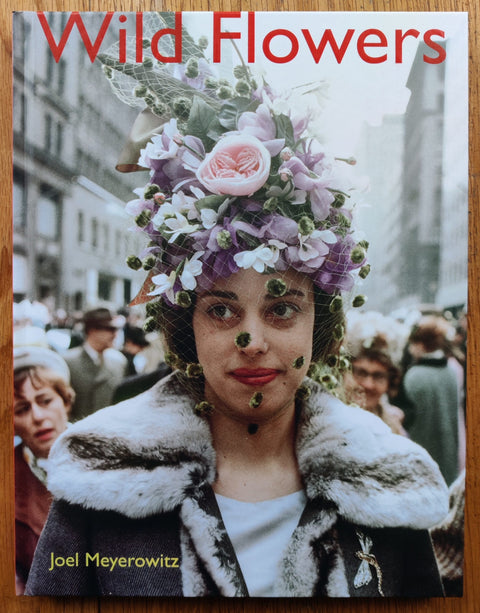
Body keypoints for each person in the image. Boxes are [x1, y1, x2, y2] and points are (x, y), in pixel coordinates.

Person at [25, 31, 449, 597]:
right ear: (185, 325)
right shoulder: (101, 479)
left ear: (317, 326)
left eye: (281, 309)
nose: (252, 339)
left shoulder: (387, 487)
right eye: (222, 309)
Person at [13, 346, 74, 594]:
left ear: (65, 400)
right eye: (22, 409)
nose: (38, 416)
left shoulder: (112, 452)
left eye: (45, 400)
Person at [403, 315, 460, 485]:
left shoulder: (414, 375)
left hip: (423, 451)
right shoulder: (450, 371)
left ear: (420, 344)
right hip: (450, 449)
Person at [344, 311, 408, 436]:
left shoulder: (394, 428)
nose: (369, 385)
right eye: (361, 373)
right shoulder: (326, 422)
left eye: (379, 376)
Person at [63, 308, 127, 421]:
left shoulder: (119, 362)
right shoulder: (68, 362)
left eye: (115, 330)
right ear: (92, 330)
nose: (115, 335)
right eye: (109, 329)